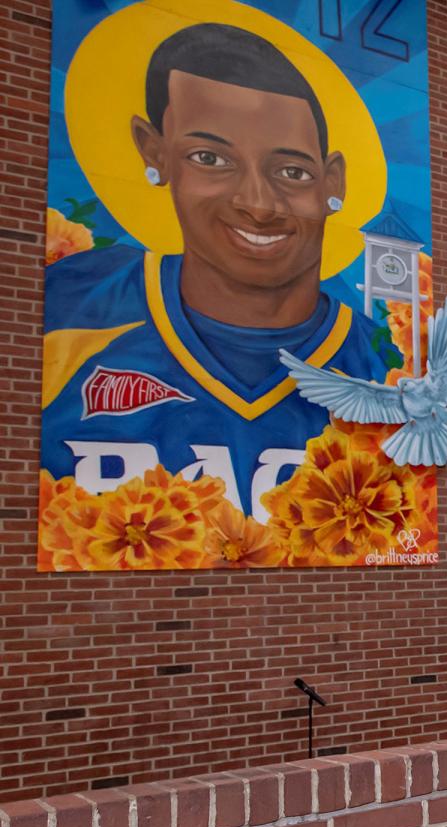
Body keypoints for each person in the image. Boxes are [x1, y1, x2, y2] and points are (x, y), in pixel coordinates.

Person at [41, 22, 390, 521]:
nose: (258, 204)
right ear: (153, 150)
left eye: (292, 171)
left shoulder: (387, 367)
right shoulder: (71, 308)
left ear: (332, 180)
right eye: (210, 158)